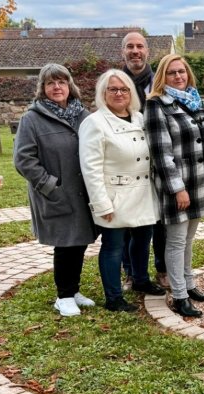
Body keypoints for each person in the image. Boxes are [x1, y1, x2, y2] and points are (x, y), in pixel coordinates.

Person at [14, 63, 98, 317]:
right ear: (43, 88)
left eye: (61, 81)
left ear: (69, 85)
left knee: (80, 242)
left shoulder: (83, 115)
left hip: (83, 193)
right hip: (56, 193)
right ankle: (63, 296)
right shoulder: (32, 119)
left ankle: (73, 290)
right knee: (65, 244)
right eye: (51, 83)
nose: (57, 87)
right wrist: (50, 185)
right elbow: (23, 159)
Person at [145, 54, 204, 317]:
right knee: (176, 241)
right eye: (171, 73)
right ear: (162, 77)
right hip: (177, 185)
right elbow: (161, 153)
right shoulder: (157, 105)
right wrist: (177, 188)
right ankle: (178, 295)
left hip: (199, 181)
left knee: (188, 239)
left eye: (182, 72)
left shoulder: (195, 101)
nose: (178, 77)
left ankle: (189, 285)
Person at [79, 69, 161, 312]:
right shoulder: (94, 123)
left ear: (131, 93)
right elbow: (90, 168)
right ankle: (113, 297)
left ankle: (140, 279)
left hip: (143, 193)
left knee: (143, 239)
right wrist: (101, 203)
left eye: (124, 89)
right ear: (102, 94)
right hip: (115, 194)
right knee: (114, 245)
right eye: (112, 89)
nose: (119, 93)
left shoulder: (139, 118)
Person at [120, 31, 168, 293]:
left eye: (139, 46)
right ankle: (131, 274)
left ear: (147, 51)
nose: (135, 51)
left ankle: (162, 270)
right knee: (129, 224)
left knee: (160, 222)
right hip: (128, 164)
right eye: (130, 47)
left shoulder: (158, 83)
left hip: (157, 160)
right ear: (123, 52)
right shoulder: (114, 83)